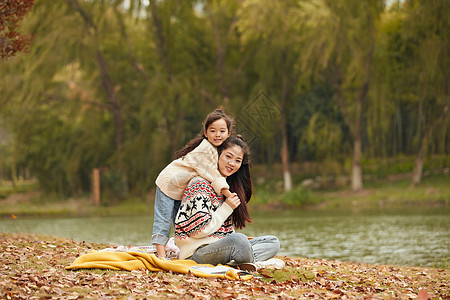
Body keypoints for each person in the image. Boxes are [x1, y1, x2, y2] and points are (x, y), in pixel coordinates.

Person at [174, 136, 284, 270]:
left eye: (238, 160)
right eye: (228, 157)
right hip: (196, 253)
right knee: (239, 241)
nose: (232, 163)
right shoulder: (199, 184)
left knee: (272, 242)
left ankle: (241, 262)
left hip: (220, 248)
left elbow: (226, 232)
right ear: (218, 155)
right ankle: (251, 263)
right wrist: (227, 207)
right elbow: (199, 230)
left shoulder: (226, 188)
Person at [151, 108, 236, 258]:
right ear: (205, 132)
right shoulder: (205, 149)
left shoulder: (216, 150)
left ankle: (181, 251)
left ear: (228, 133)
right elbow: (213, 175)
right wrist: (229, 195)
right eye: (213, 131)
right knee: (163, 219)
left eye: (222, 131)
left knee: (181, 221)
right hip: (168, 183)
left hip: (179, 188)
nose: (217, 135)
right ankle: (161, 256)